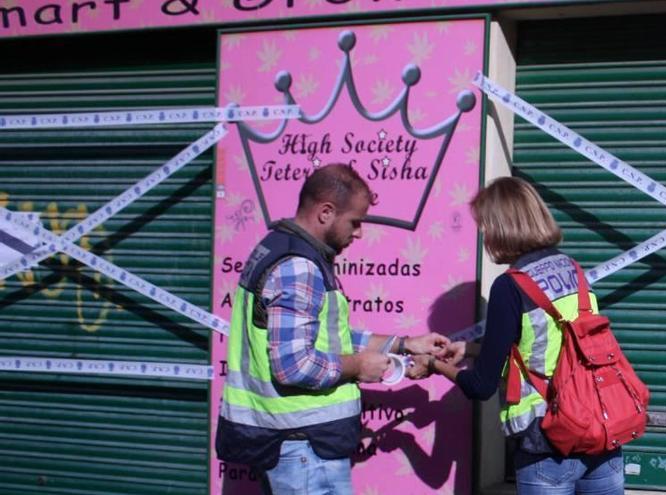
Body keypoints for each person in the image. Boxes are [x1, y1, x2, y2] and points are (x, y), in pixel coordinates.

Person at [216, 163, 450, 495]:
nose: (359, 233)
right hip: (303, 448)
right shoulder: (298, 265)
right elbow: (294, 365)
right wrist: (360, 366)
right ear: (326, 212)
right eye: (355, 222)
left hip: (292, 445)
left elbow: (326, 336)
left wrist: (404, 344)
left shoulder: (280, 247)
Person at [408, 176, 624, 495]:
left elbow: (481, 386)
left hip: (548, 444)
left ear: (501, 227)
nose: (484, 236)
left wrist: (432, 365)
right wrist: (469, 349)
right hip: (602, 435)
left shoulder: (510, 286)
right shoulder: (573, 270)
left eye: (484, 226)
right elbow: (548, 346)